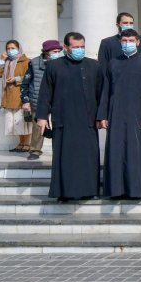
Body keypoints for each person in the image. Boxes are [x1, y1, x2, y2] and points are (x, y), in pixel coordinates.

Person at [36, 32, 103, 200]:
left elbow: (101, 93)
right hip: (64, 121)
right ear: (66, 47)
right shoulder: (54, 66)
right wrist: (42, 117)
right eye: (75, 47)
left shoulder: (94, 66)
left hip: (88, 121)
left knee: (88, 158)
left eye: (82, 47)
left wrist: (102, 116)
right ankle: (63, 192)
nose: (79, 50)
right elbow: (45, 93)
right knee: (65, 158)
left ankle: (89, 191)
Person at [97, 29, 141, 198]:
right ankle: (117, 190)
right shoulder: (113, 63)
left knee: (138, 151)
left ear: (138, 42)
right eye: (124, 40)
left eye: (131, 40)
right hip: (116, 114)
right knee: (117, 151)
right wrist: (102, 115)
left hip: (140, 115)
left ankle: (140, 190)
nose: (127, 43)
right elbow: (106, 91)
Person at [21, 40, 62, 160]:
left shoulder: (62, 63)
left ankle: (60, 150)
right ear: (46, 52)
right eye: (54, 51)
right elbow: (25, 84)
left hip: (58, 101)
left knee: (59, 126)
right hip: (38, 100)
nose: (57, 53)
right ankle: (35, 150)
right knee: (38, 127)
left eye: (59, 51)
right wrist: (26, 101)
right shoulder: (33, 63)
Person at [0, 40, 31, 153]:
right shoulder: (7, 62)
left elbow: (30, 77)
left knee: (25, 121)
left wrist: (16, 79)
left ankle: (27, 144)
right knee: (16, 123)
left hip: (21, 96)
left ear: (19, 48)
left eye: (12, 48)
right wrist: (1, 60)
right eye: (8, 48)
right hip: (9, 96)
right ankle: (21, 143)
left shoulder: (26, 61)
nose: (10, 51)